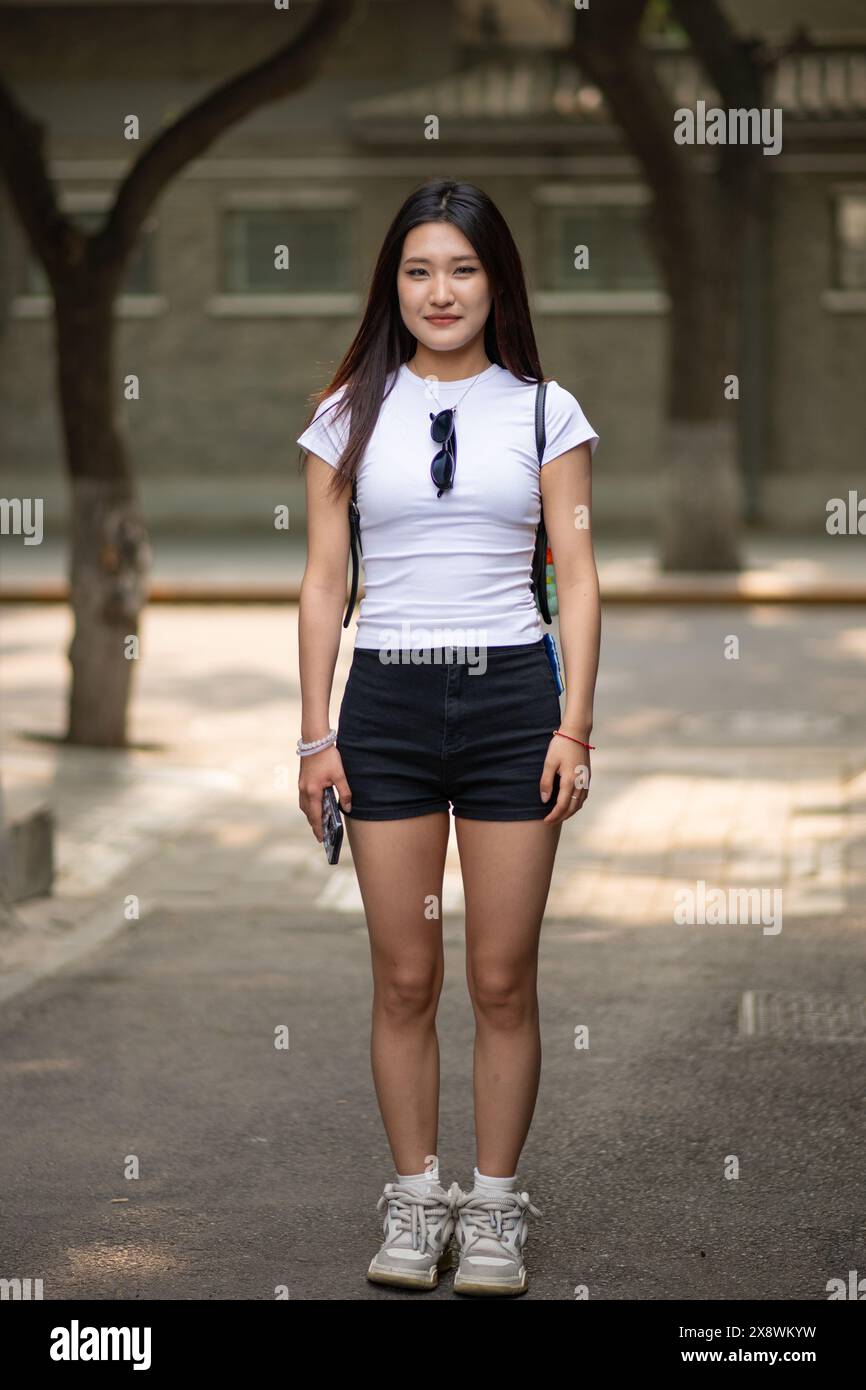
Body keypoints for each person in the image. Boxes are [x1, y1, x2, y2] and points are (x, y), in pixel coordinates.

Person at [296, 178, 600, 1296]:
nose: (439, 290)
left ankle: (494, 1210)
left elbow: (580, 579)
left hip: (513, 702)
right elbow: (323, 583)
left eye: (462, 269)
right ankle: (416, 1200)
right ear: (393, 283)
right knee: (404, 974)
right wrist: (310, 736)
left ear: (494, 282)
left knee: (502, 975)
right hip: (384, 708)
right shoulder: (344, 415)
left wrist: (573, 725)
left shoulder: (541, 411)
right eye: (419, 269)